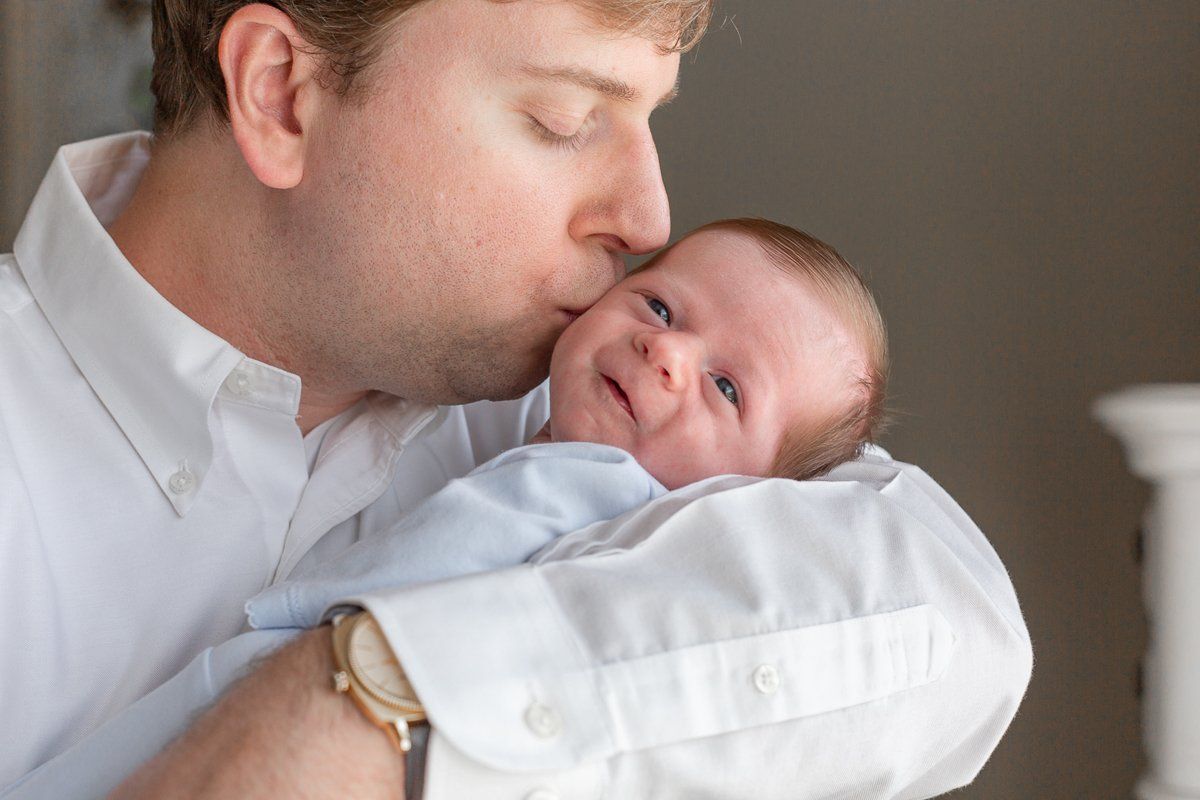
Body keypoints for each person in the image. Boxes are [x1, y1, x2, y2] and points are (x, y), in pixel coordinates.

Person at [0, 2, 1032, 799]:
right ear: (282, 94)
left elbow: (953, 621)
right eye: (565, 119)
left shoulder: (578, 410)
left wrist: (359, 703)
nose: (649, 215)